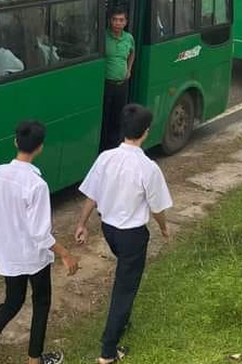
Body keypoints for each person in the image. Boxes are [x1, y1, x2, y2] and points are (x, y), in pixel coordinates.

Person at [0, 121, 79, 364]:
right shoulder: (37, 185)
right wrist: (65, 254)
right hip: (33, 257)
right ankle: (34, 359)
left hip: (8, 253)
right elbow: (40, 234)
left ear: (15, 142)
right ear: (40, 147)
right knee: (41, 302)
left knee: (12, 302)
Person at [74, 104, 173, 364]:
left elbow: (92, 194)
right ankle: (108, 352)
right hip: (132, 235)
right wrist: (164, 228)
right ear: (146, 132)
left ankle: (122, 321)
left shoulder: (106, 158)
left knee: (124, 277)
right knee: (125, 289)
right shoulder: (148, 167)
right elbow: (157, 208)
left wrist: (82, 223)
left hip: (109, 230)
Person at [100, 7, 135, 150]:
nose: (117, 23)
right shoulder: (103, 36)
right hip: (106, 84)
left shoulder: (129, 38)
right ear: (110, 21)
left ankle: (113, 148)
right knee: (104, 118)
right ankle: (102, 148)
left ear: (126, 22)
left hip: (122, 85)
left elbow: (132, 53)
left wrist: (129, 69)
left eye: (121, 20)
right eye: (115, 20)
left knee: (118, 118)